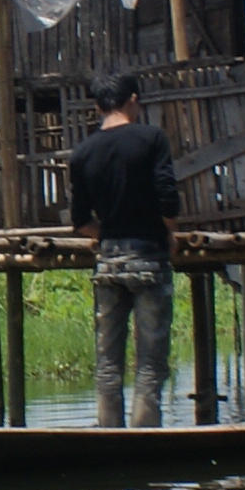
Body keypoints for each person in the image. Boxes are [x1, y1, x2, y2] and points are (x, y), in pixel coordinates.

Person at [67, 72, 182, 428]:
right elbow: (167, 197)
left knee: (108, 362)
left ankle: (109, 435)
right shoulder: (150, 138)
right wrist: (168, 233)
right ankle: (145, 436)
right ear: (133, 100)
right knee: (150, 362)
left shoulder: (83, 152)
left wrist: (110, 234)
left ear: (97, 106)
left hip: (109, 263)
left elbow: (80, 220)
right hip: (149, 257)